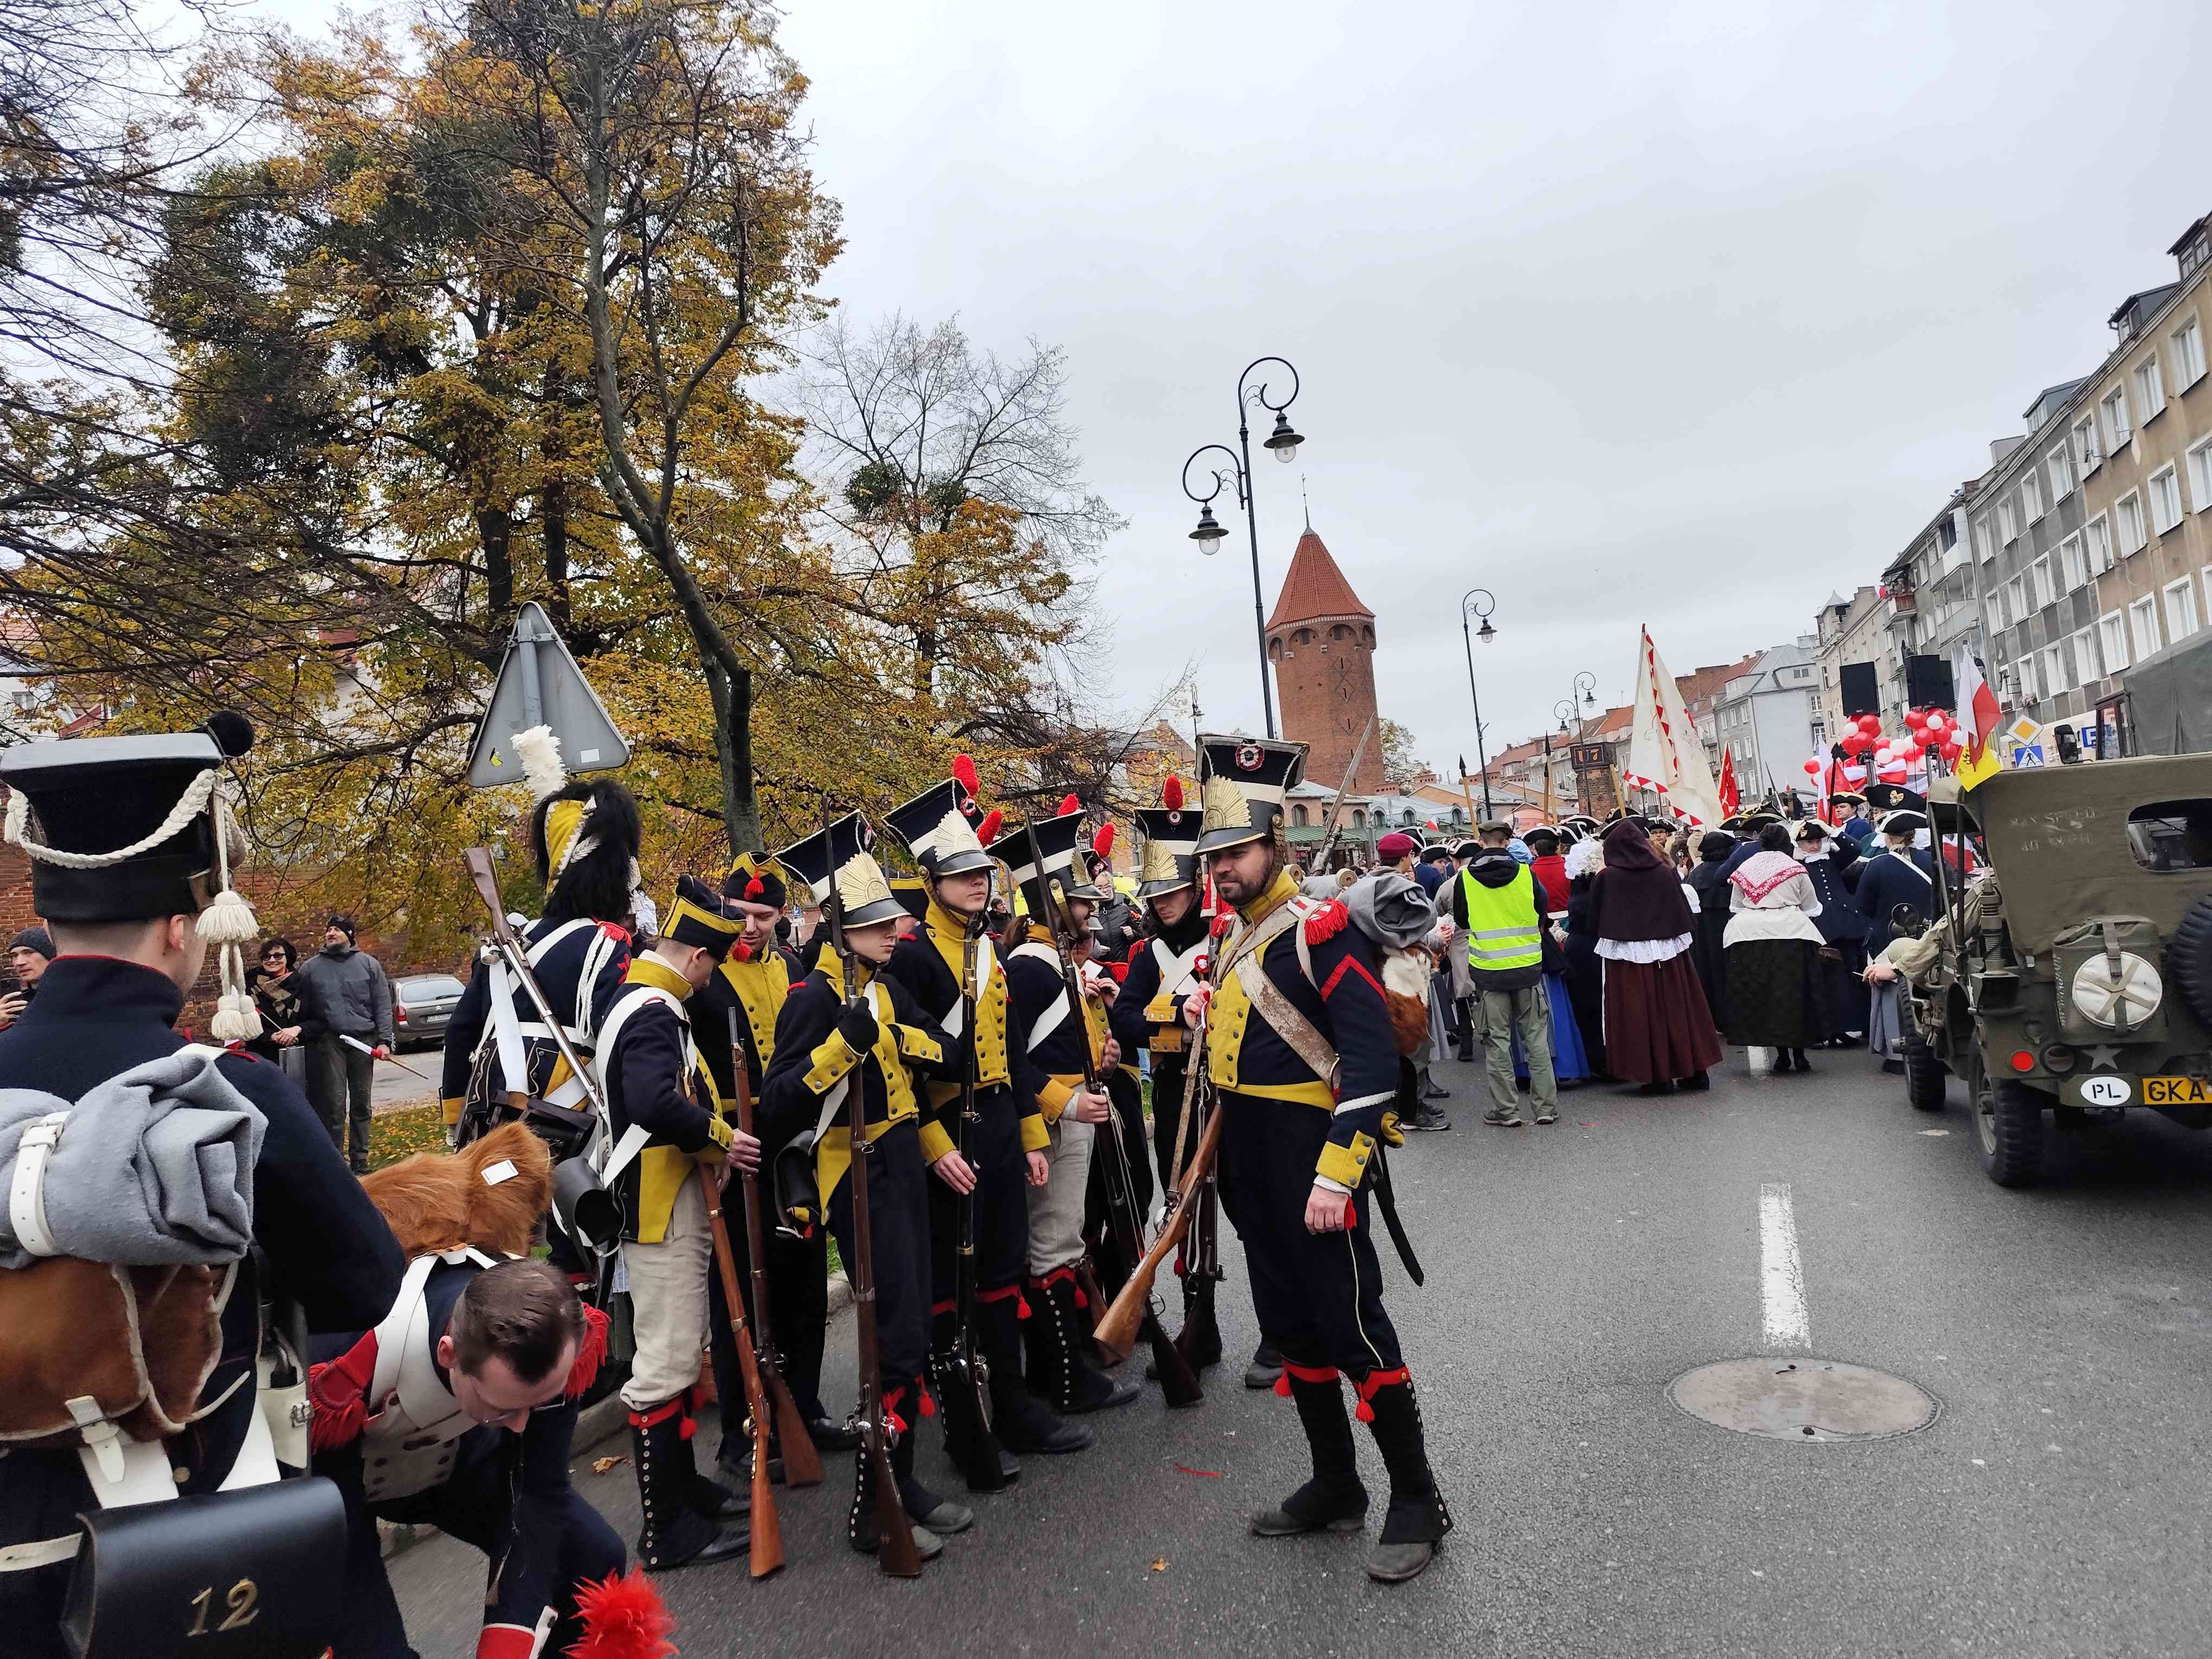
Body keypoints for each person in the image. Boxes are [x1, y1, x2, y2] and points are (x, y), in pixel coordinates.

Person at [0, 715, 405, 1657]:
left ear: (53, 928)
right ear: (184, 929)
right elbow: (366, 1284)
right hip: (197, 1554)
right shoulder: (235, 1093)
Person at [1188, 734, 1451, 1584]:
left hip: (1313, 1157)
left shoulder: (1320, 932)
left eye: (1236, 852)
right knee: (1292, 1330)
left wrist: (1339, 1172)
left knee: (1355, 1331)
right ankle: (1337, 1483)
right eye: (1214, 856)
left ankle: (1417, 1500)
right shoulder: (1235, 942)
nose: (1223, 869)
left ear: (1276, 848)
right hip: (1252, 1165)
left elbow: (1370, 1064)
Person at [762, 813, 971, 1559]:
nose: (894, 934)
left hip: (903, 1166)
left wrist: (887, 1035)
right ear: (839, 929)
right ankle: (872, 1507)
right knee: (889, 1339)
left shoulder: (878, 991)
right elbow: (778, 1101)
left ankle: (898, 1486)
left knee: (909, 1336)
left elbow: (946, 1052)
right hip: (856, 1176)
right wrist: (836, 1048)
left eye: (894, 921)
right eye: (878, 925)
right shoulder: (811, 1001)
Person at [879, 767, 1093, 1476]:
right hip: (949, 1138)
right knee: (952, 1289)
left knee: (1003, 1274)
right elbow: (900, 1077)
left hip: (1001, 1128)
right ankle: (969, 1432)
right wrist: (936, 1148)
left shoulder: (985, 952)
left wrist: (1033, 1136)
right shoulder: (910, 961)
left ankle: (1015, 1405)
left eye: (984, 873)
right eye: (964, 874)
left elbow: (1005, 1055)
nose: (980, 885)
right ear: (933, 879)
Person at [313, 1240, 627, 1659]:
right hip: (344, 1493)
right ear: (449, 1354)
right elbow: (348, 1550)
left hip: (461, 1465)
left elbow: (539, 1495)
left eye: (538, 1404)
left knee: (591, 1555)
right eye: (504, 1407)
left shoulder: (559, 1334)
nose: (521, 1426)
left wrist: (509, 1638)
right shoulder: (340, 1365)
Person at [589, 874, 755, 1571]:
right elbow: (656, 1102)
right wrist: (721, 1137)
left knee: (680, 1355)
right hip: (656, 1207)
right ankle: (667, 1531)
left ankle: (685, 1491)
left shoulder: (641, 1001)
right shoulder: (658, 1010)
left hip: (661, 1199)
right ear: (697, 957)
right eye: (712, 964)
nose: (711, 978)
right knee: (664, 1364)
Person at [691, 852, 852, 1473]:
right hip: (735, 1149)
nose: (750, 926)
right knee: (740, 1297)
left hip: (797, 1147)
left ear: (782, 915)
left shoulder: (792, 968)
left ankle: (803, 1409)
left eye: (763, 914)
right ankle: (741, 1434)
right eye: (739, 914)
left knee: (804, 1284)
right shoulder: (704, 981)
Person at [987, 805, 1139, 1418]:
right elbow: (1011, 1060)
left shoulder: (1054, 963)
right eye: (1078, 899)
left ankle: (1065, 1373)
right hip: (1052, 1124)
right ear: (1054, 901)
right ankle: (1065, 1382)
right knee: (1051, 1248)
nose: (1090, 907)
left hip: (1074, 1117)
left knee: (1061, 1244)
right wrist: (1068, 1101)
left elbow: (1057, 1045)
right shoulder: (1031, 966)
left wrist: (1098, 1060)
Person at [440, 760, 640, 1148]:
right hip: (572, 1120)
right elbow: (617, 1041)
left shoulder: (512, 942)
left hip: (492, 1113)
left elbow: (461, 1031)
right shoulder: (608, 945)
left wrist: (455, 1114)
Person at [1110, 775, 1221, 1364]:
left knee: (1254, 1208)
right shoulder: (1148, 955)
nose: (1162, 903)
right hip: (1178, 1087)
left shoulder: (1226, 937)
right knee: (1182, 1210)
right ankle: (1198, 1329)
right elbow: (1126, 1022)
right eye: (1156, 895)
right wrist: (1178, 1011)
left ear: (1193, 887)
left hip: (1230, 1089)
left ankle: (1285, 1336)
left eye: (1172, 892)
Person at [1588, 816, 1722, 1094]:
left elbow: (1595, 920)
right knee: (1680, 1008)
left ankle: (1657, 1077)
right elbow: (1682, 911)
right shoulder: (1664, 872)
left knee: (1640, 1013)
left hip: (1628, 957)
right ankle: (1695, 1070)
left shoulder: (1608, 877)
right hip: (1670, 952)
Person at [1454, 825, 1560, 1127]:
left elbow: (1462, 919)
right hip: (1528, 967)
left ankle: (1507, 1110)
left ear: (1480, 843)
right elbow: (1542, 912)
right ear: (1508, 842)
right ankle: (1545, 1108)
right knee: (1536, 1040)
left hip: (1489, 971)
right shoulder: (1528, 873)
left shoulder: (1465, 878)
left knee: (1496, 1042)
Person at [1723, 824, 1829, 1076]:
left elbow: (1736, 906)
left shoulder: (1745, 868)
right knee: (1794, 995)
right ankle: (1800, 1054)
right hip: (1792, 934)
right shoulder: (1795, 868)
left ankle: (1780, 1055)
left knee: (1765, 996)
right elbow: (1812, 906)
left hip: (1748, 936)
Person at [296, 912, 395, 1172]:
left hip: (364, 1042)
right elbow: (297, 1004)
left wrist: (385, 1041)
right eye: (328, 930)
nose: (330, 934)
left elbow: (383, 1006)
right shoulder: (310, 969)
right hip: (330, 1043)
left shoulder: (369, 965)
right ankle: (336, 1161)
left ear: (350, 936)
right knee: (334, 1103)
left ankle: (360, 1158)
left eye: (337, 930)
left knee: (361, 1101)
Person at [1854, 812, 1937, 1073]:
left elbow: (1862, 905)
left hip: (1887, 937)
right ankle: (1933, 1047)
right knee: (1930, 991)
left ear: (1889, 839)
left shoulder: (1877, 865)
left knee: (1891, 994)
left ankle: (1897, 1054)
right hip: (1928, 936)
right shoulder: (1932, 860)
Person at [1795, 820, 1870, 1047]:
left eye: (1818, 841)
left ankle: (1851, 1026)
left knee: (1851, 977)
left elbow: (1855, 849)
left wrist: (1833, 832)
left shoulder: (1832, 859)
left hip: (1847, 924)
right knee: (1828, 981)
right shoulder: (1797, 864)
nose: (1815, 846)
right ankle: (1828, 1029)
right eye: (1809, 842)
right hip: (1820, 927)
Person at [1560, 834, 1611, 1081]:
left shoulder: (1580, 886)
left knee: (1586, 1006)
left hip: (1579, 947)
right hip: (1595, 947)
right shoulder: (1600, 886)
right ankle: (1602, 1060)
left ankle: (1593, 1060)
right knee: (1598, 1005)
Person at [248, 935, 326, 1077]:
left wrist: (297, 1030)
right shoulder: (249, 987)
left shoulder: (304, 984)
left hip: (302, 1058)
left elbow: (321, 1021)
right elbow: (243, 1024)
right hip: (263, 1059)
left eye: (278, 956)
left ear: (287, 957)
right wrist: (271, 1036)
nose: (272, 960)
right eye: (267, 957)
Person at [1683, 832, 1735, 1034]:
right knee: (1728, 970)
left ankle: (1710, 1018)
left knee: (1705, 970)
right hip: (1726, 924)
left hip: (1701, 929)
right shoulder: (1729, 872)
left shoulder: (1695, 874)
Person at [0, 924, 52, 1030]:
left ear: (50, 955)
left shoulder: (72, 997)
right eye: (14, 956)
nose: (19, 962)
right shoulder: (17, 1004)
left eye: (29, 952)